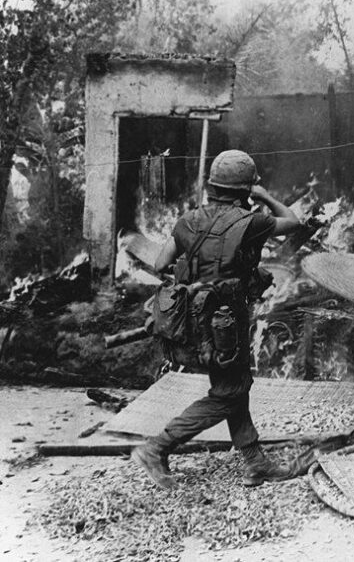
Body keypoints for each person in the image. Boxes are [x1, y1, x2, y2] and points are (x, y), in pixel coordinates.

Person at [132, 149, 300, 489]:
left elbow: (161, 264)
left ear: (212, 186)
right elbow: (293, 223)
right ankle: (156, 447)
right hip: (226, 319)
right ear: (245, 189)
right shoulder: (251, 222)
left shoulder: (187, 221)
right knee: (229, 391)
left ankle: (255, 462)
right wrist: (264, 195)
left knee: (232, 383)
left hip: (193, 319)